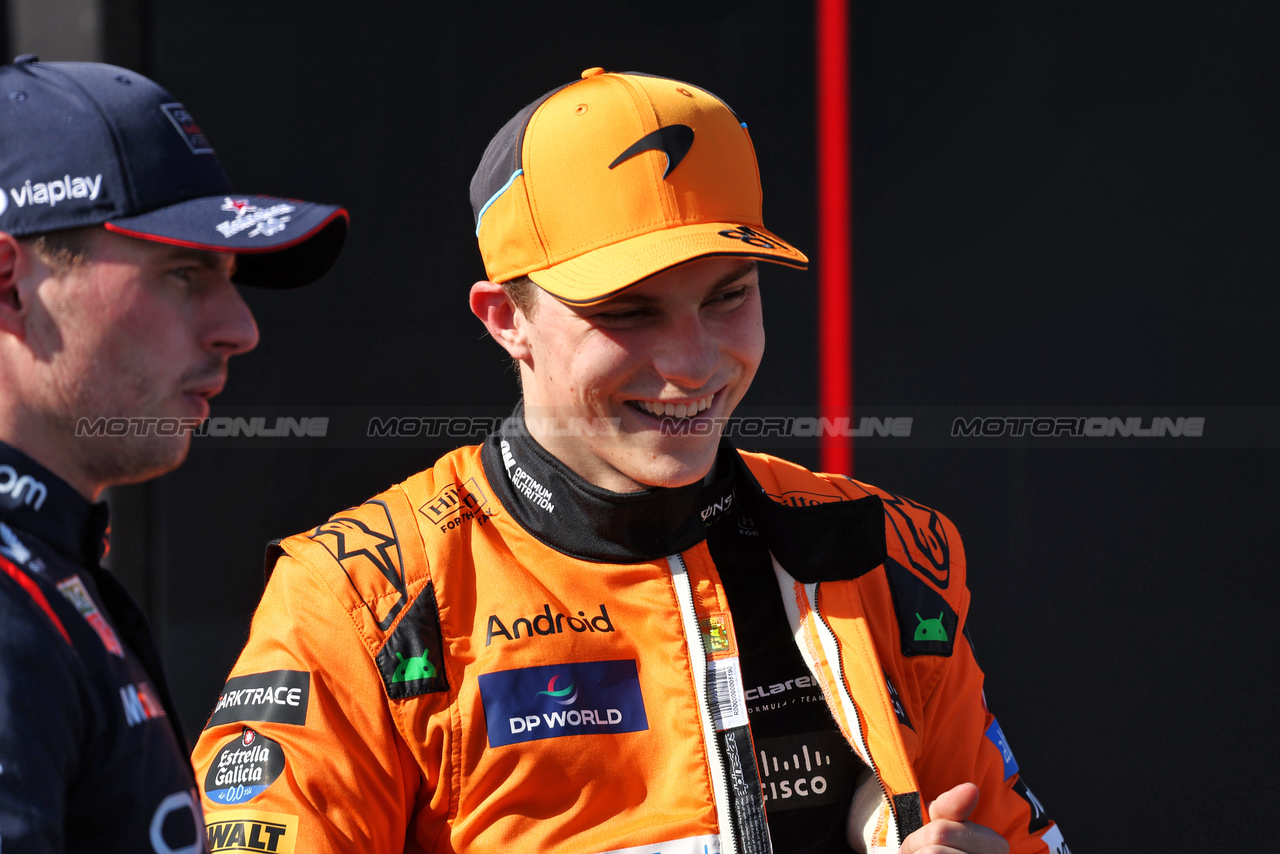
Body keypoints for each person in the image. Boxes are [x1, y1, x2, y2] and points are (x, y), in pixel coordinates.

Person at [192, 68, 1065, 854]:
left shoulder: (878, 548)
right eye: (630, 312)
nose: (692, 363)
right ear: (505, 319)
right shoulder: (366, 595)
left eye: (729, 296)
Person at [0, 56, 348, 853]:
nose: (240, 328)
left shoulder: (53, 565)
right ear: (10, 285)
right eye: (184, 273)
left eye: (227, 275)